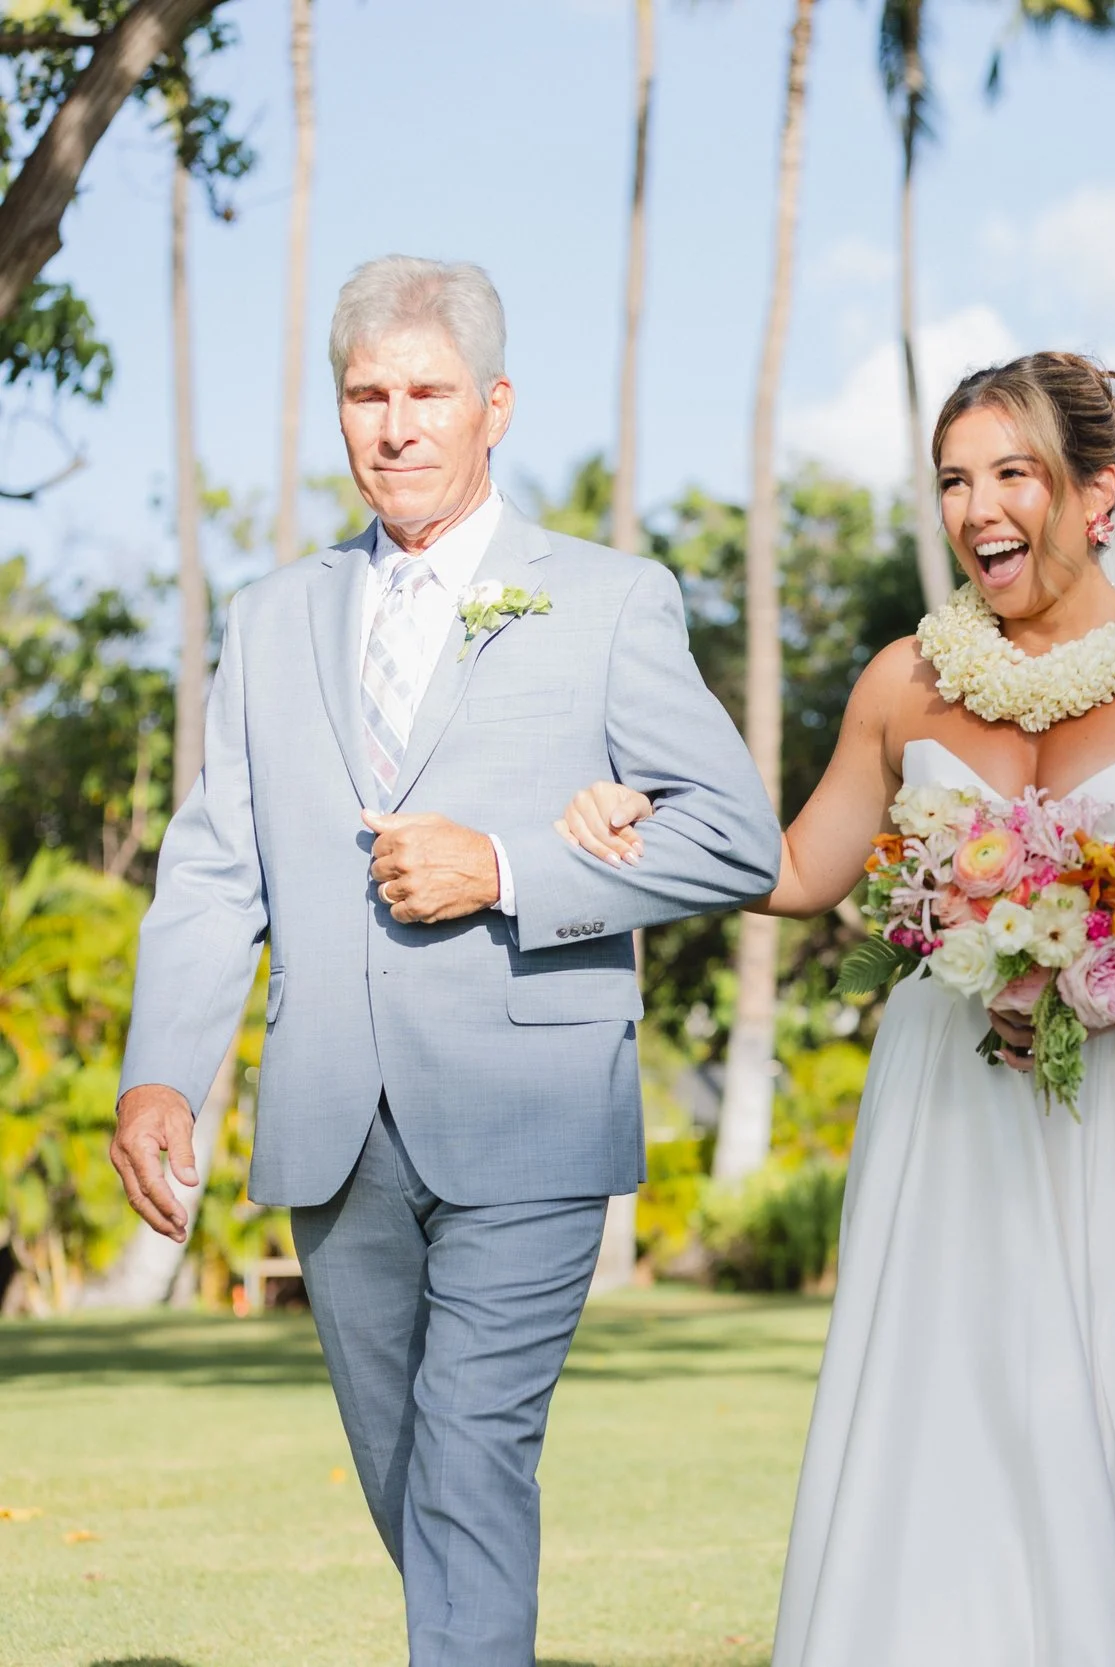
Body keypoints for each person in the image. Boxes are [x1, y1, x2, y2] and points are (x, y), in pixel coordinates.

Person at [560, 352, 1115, 1665]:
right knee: (956, 1418)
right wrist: (638, 823)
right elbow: (795, 872)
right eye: (955, 480)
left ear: (1095, 493)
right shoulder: (906, 680)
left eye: (1011, 472)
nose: (977, 508)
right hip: (952, 1105)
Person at [106, 256, 782, 1665]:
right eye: (367, 394)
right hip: (332, 1125)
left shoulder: (606, 600)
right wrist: (164, 1072)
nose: (396, 424)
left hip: (529, 1113)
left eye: (426, 392)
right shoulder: (269, 616)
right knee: (407, 1470)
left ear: (495, 406)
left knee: (470, 1452)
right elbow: (218, 862)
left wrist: (512, 867)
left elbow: (736, 839)